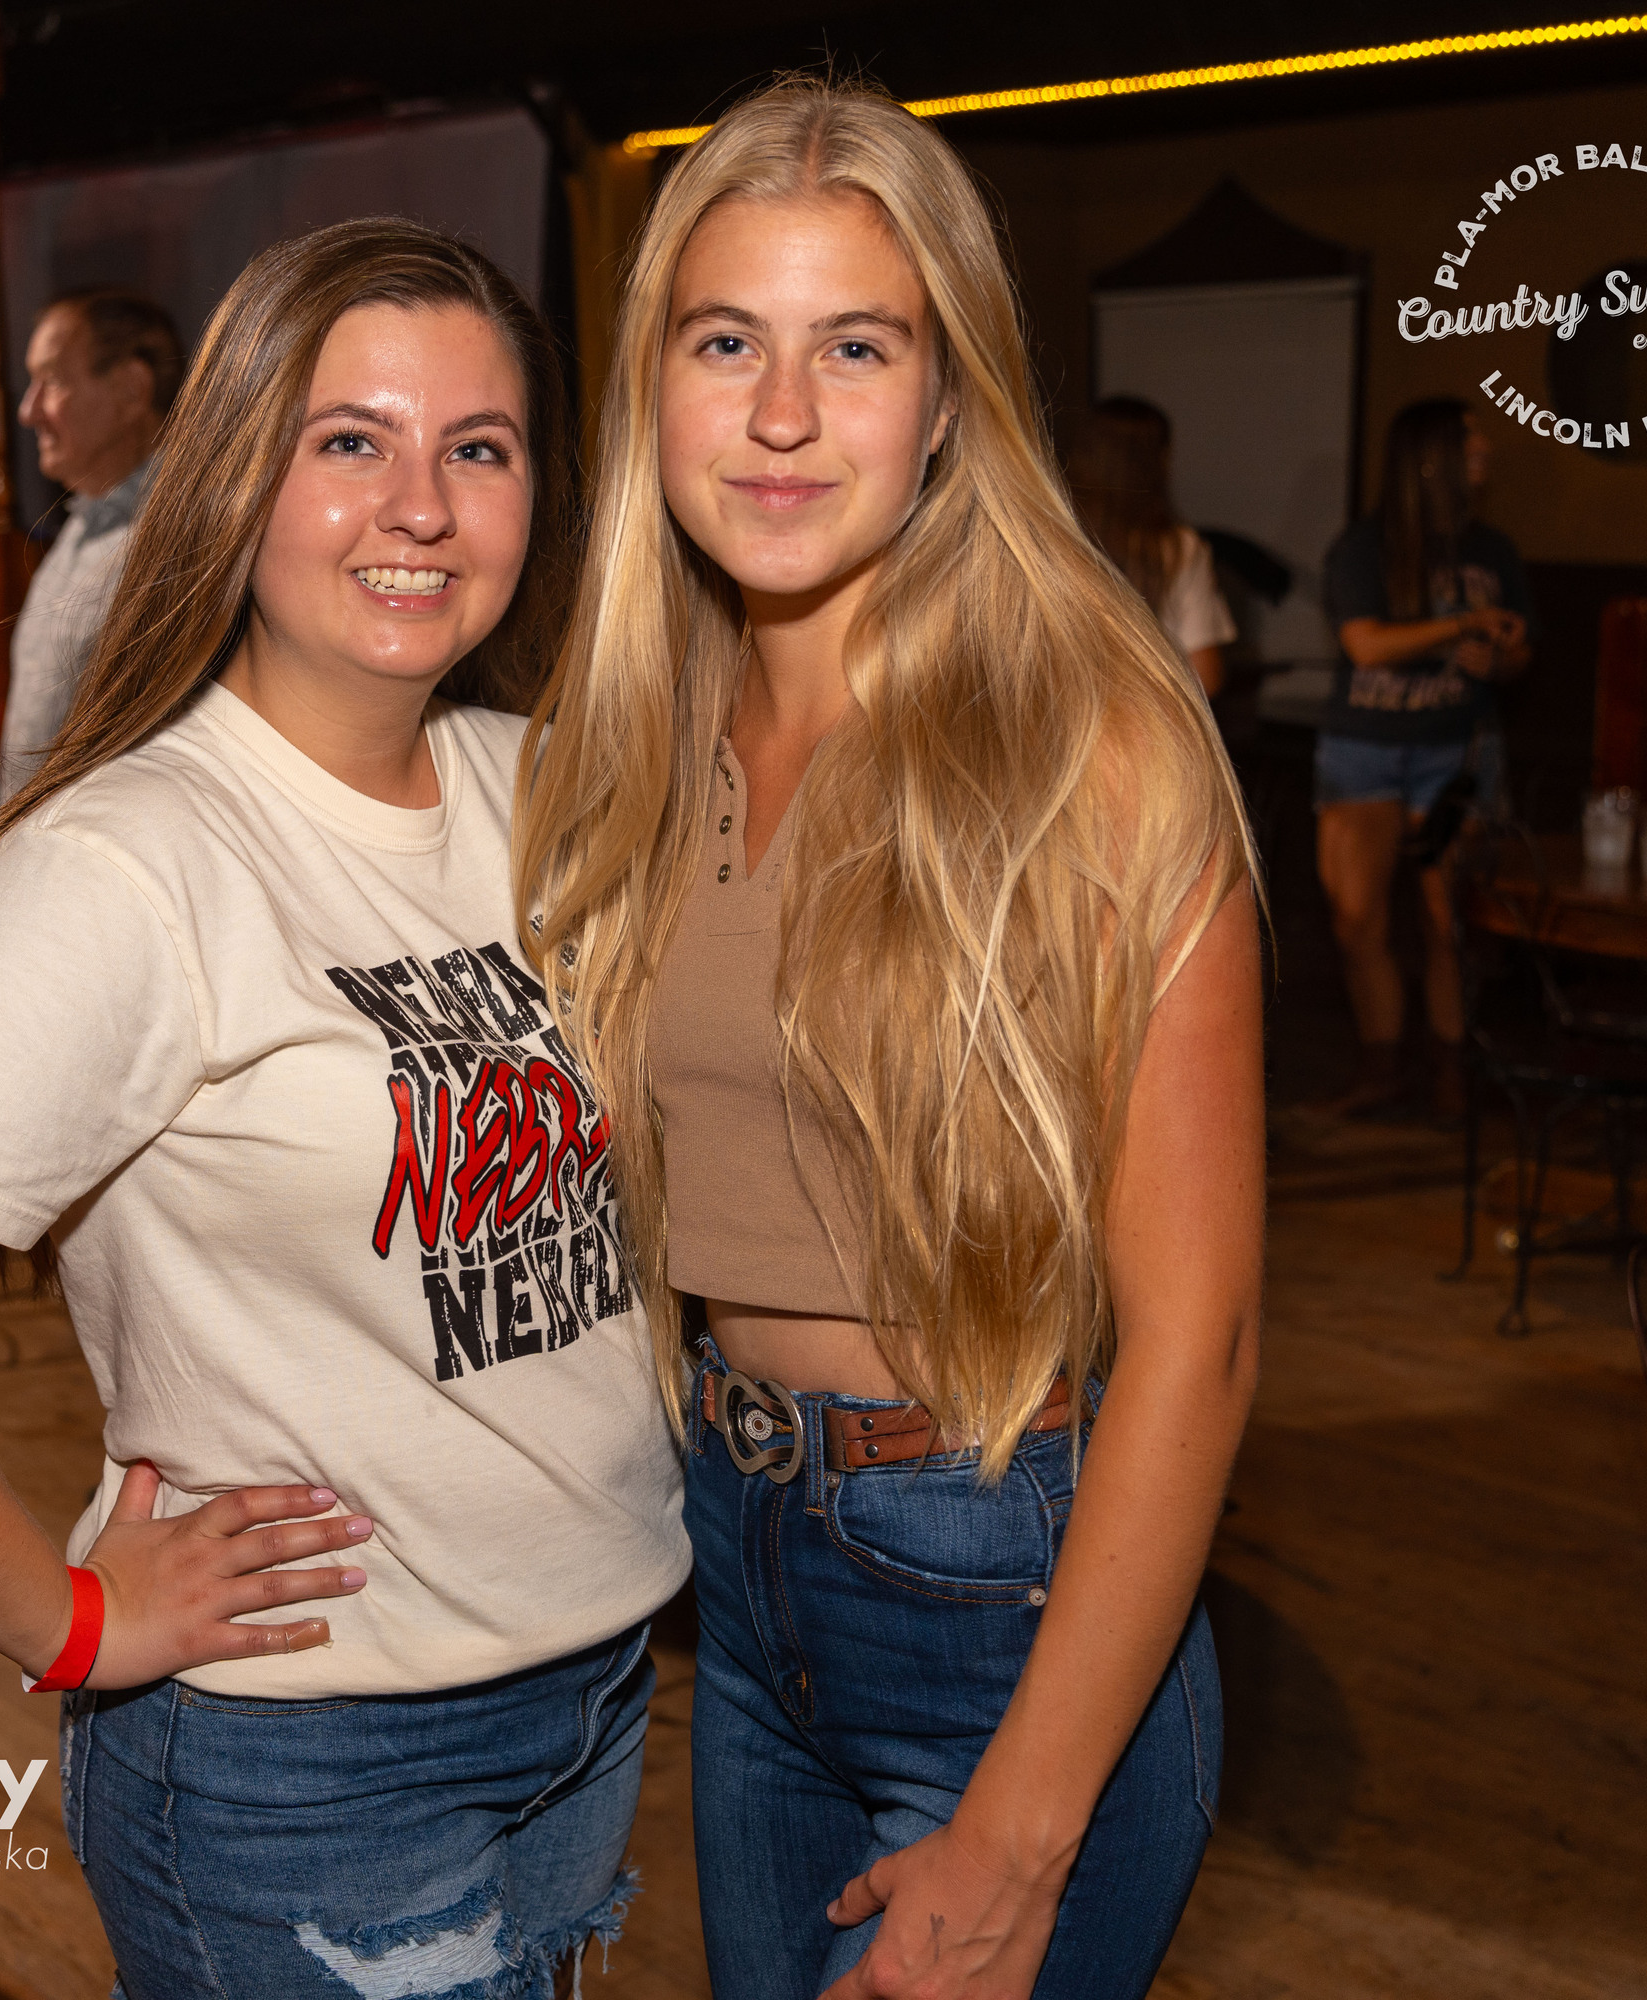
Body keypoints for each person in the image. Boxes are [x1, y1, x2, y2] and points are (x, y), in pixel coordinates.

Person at [0, 219, 682, 1997]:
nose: (422, 505)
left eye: (478, 448)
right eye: (350, 440)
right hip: (310, 1763)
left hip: (590, 1691)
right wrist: (68, 1617)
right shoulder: (132, 863)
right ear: (235, 472)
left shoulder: (542, 788)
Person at [516, 80, 1261, 2000]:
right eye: (725, 342)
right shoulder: (629, 735)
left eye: (855, 346)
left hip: (1002, 1585)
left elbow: (1202, 1336)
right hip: (731, 1560)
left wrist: (1020, 1833)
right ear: (653, 387)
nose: (781, 412)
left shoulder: (1090, 745)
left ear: (948, 401)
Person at [1313, 399, 1531, 1118]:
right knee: (1358, 920)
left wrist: (1498, 658)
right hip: (1365, 753)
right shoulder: (1362, 547)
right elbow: (1365, 645)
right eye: (1469, 438)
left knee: (1450, 922)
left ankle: (1450, 1070)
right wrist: (1461, 626)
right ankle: (1381, 1066)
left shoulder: (1494, 549)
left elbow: (1520, 651)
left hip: (1457, 753)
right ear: (1431, 459)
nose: (1486, 447)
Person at [0, 286, 184, 800]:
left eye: (53, 381)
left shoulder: (181, 544)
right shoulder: (83, 526)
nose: (28, 411)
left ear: (131, 389)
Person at [1070, 395, 1235, 695]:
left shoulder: (1050, 533)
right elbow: (1204, 675)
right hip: (1142, 715)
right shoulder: (1178, 548)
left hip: (1055, 713)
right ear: (1159, 459)